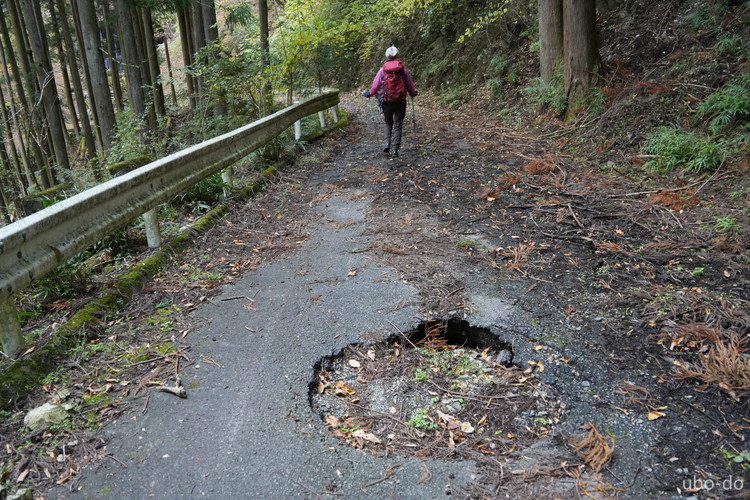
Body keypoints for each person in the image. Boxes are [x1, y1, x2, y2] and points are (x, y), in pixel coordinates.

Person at [363, 46, 417, 158]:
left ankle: (387, 144)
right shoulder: (403, 71)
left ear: (386, 56)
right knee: (398, 124)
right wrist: (413, 93)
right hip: (400, 101)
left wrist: (369, 93)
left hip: (387, 100)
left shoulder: (382, 71)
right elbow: (410, 86)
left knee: (388, 123)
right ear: (397, 55)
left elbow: (375, 87)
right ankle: (395, 150)